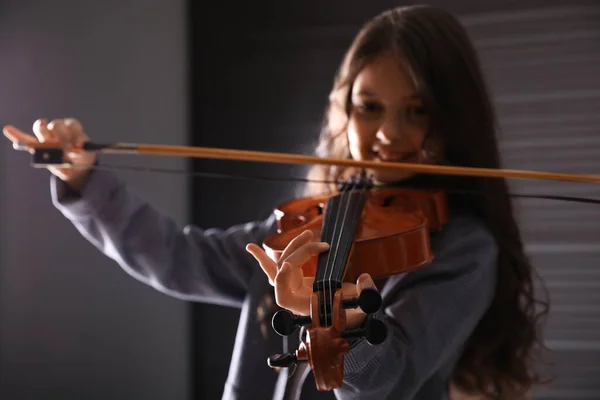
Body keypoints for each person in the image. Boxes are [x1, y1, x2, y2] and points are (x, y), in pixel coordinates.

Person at [3, 5, 549, 400]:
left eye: (418, 110)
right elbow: (175, 256)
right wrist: (83, 178)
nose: (388, 133)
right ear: (345, 111)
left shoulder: (463, 247)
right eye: (370, 107)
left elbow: (389, 379)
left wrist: (336, 320)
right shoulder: (308, 222)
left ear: (454, 116)